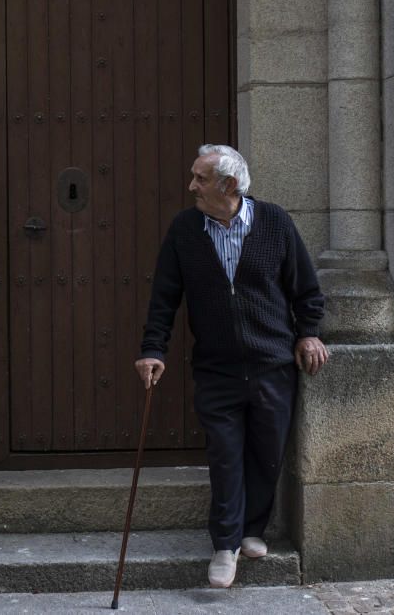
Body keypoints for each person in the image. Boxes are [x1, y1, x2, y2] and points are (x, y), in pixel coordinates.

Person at [134, 144, 327, 588]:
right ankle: (225, 545)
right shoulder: (185, 229)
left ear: (229, 185)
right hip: (217, 368)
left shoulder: (274, 222)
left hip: (272, 363)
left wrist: (310, 331)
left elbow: (305, 286)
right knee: (224, 455)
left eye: (200, 179)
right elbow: (165, 297)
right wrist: (152, 349)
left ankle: (252, 529)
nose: (191, 186)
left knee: (266, 452)